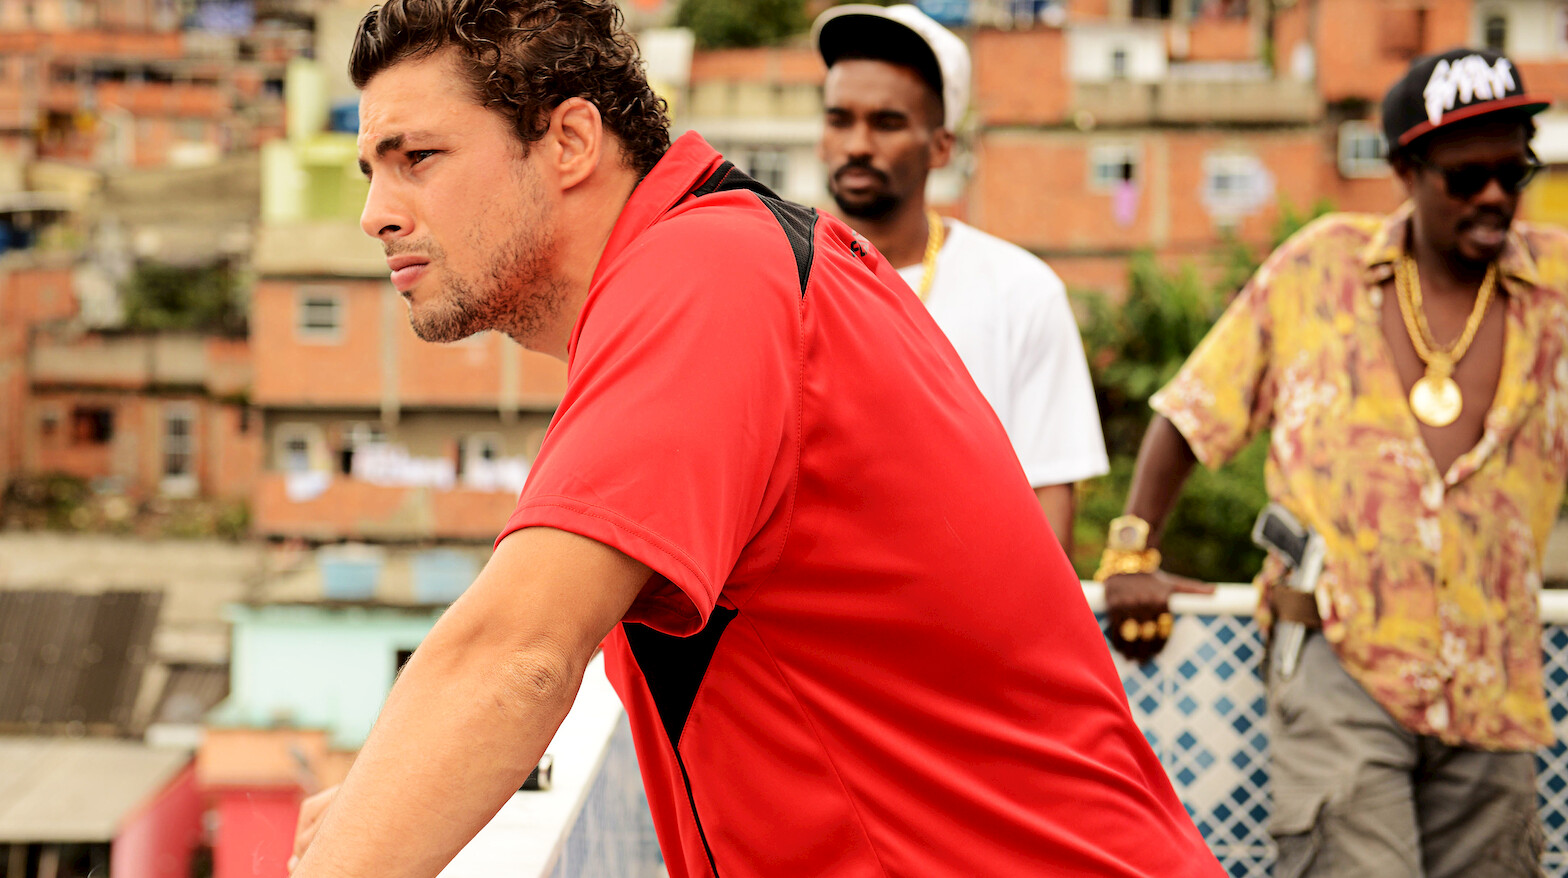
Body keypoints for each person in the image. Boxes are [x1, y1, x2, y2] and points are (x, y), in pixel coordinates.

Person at [289, 1, 1221, 875]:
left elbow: (516, 654)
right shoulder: (740, 252)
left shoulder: (707, 278)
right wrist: (385, 796)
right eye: (372, 170)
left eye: (418, 157)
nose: (376, 213)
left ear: (570, 141)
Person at [1100, 47, 1562, 877]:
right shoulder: (1318, 267)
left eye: (1512, 171)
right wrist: (1133, 548)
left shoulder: (1557, 283)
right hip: (1340, 661)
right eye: (1466, 178)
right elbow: (1192, 411)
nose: (1495, 195)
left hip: (1496, 678)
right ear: (1405, 170)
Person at [813, 4, 1108, 552]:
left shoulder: (1022, 292)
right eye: (839, 119)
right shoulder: (776, 279)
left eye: (887, 123)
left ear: (942, 146)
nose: (857, 145)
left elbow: (1049, 500)